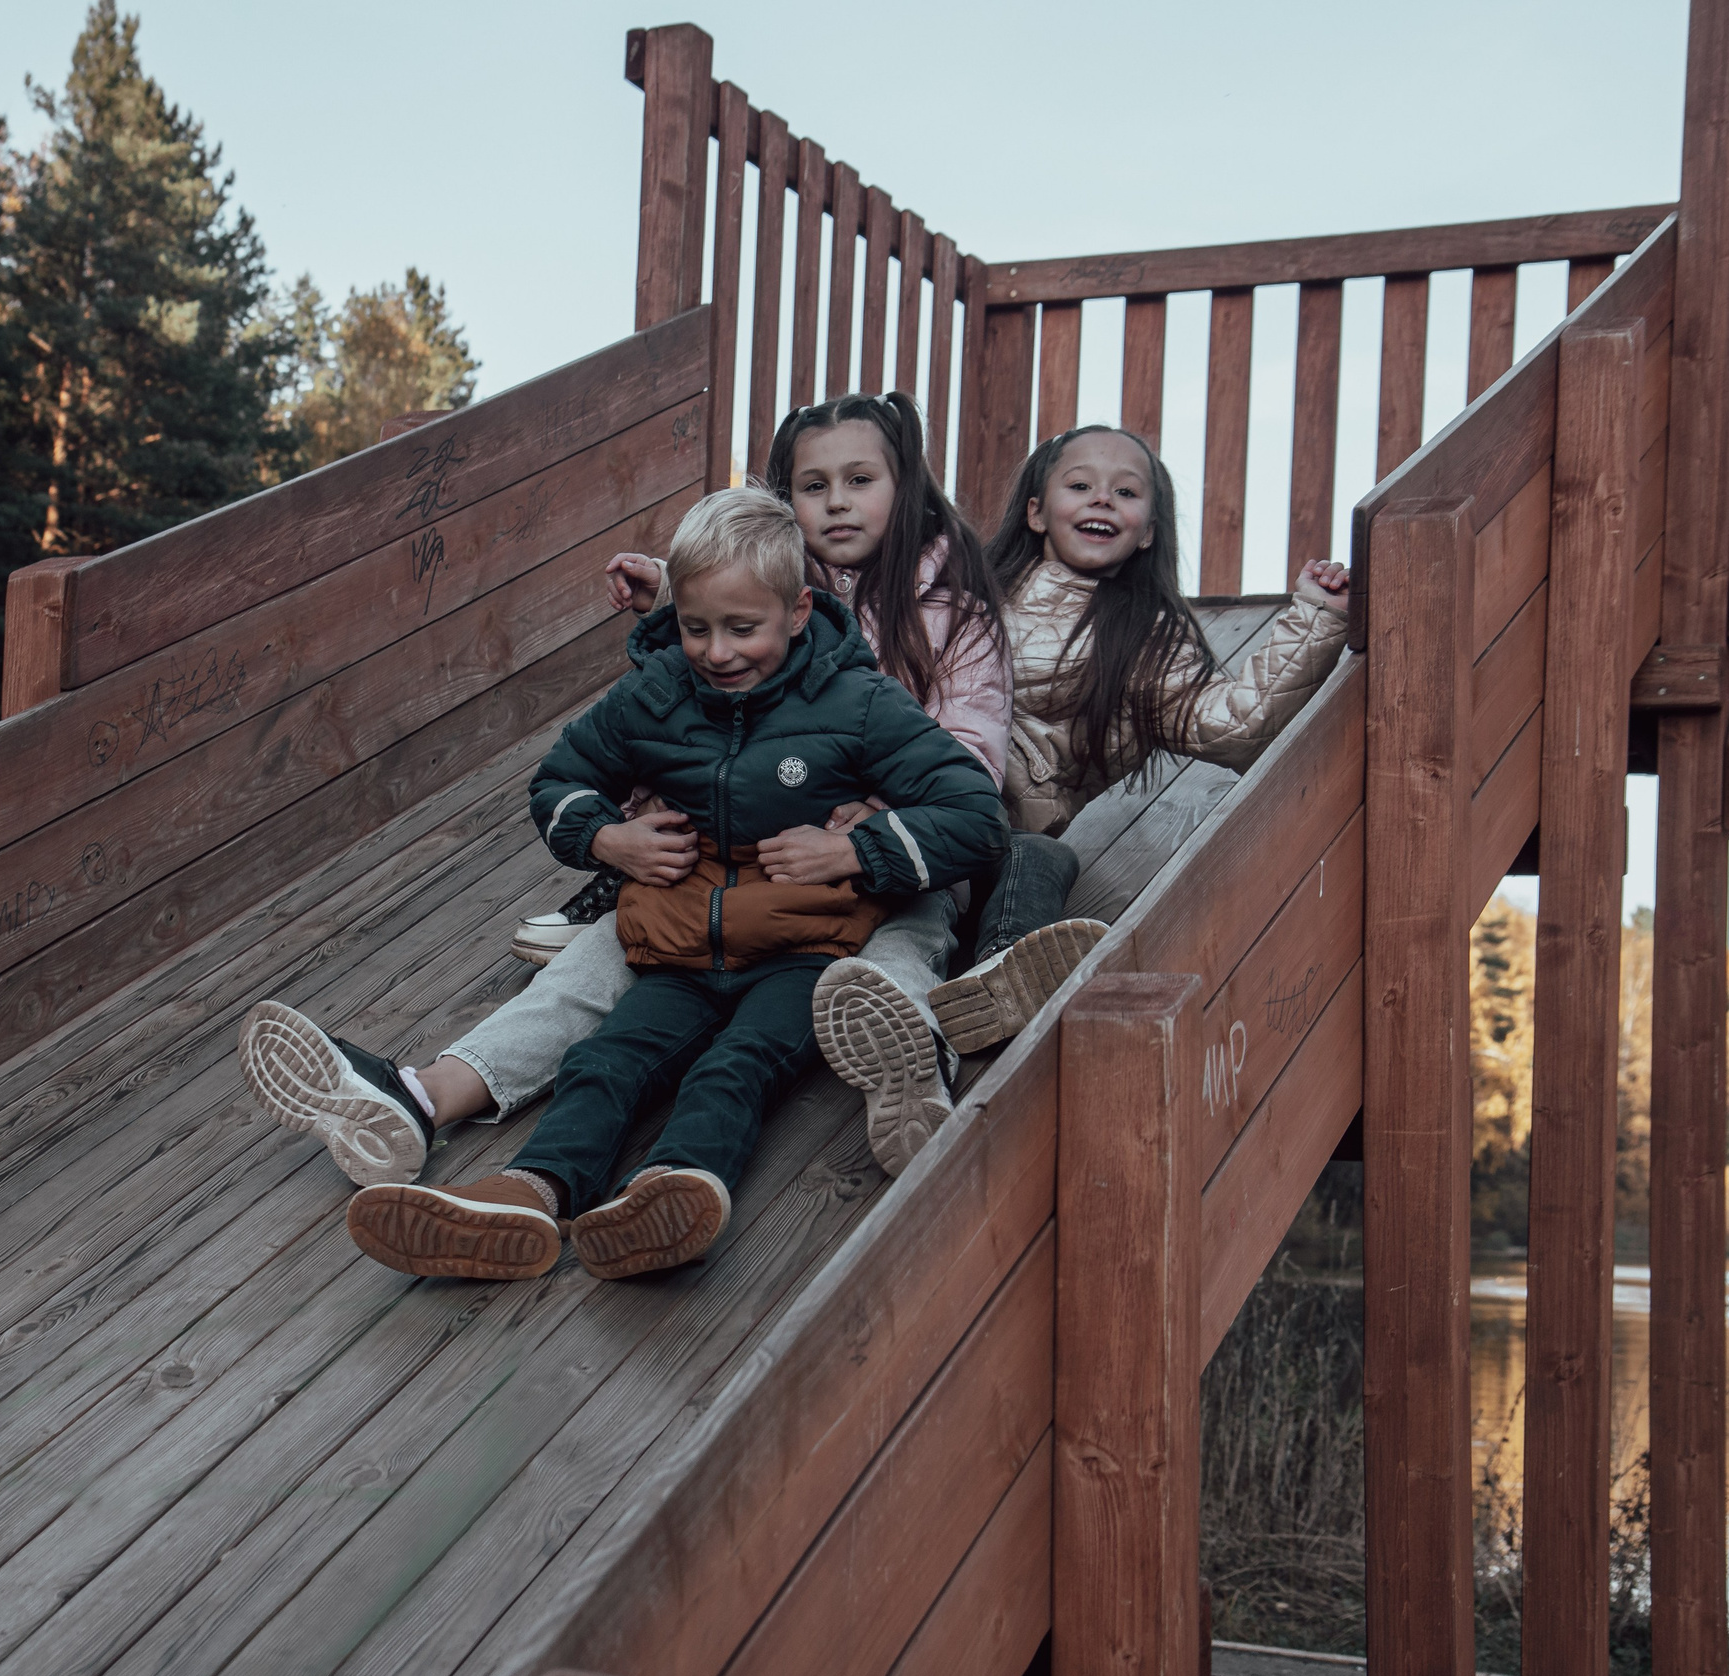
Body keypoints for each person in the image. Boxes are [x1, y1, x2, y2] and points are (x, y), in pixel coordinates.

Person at [244, 485, 1007, 1282]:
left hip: (801, 950)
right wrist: (609, 836)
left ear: (798, 611)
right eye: (695, 626)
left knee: (735, 1066)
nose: (716, 653)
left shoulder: (857, 703)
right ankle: (526, 1194)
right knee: (605, 1061)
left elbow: (973, 812)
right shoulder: (658, 693)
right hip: (675, 947)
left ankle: (670, 1192)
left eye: (743, 629)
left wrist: (852, 853)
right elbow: (560, 780)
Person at [926, 425, 1352, 1051]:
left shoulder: (1146, 641)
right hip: (916, 815)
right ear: (1037, 512)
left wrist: (1316, 615)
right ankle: (897, 986)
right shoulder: (961, 594)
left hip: (1000, 845)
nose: (1102, 499)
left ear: (1148, 529)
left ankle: (998, 978)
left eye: (1125, 492)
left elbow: (1232, 727)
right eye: (1080, 485)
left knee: (1043, 858)